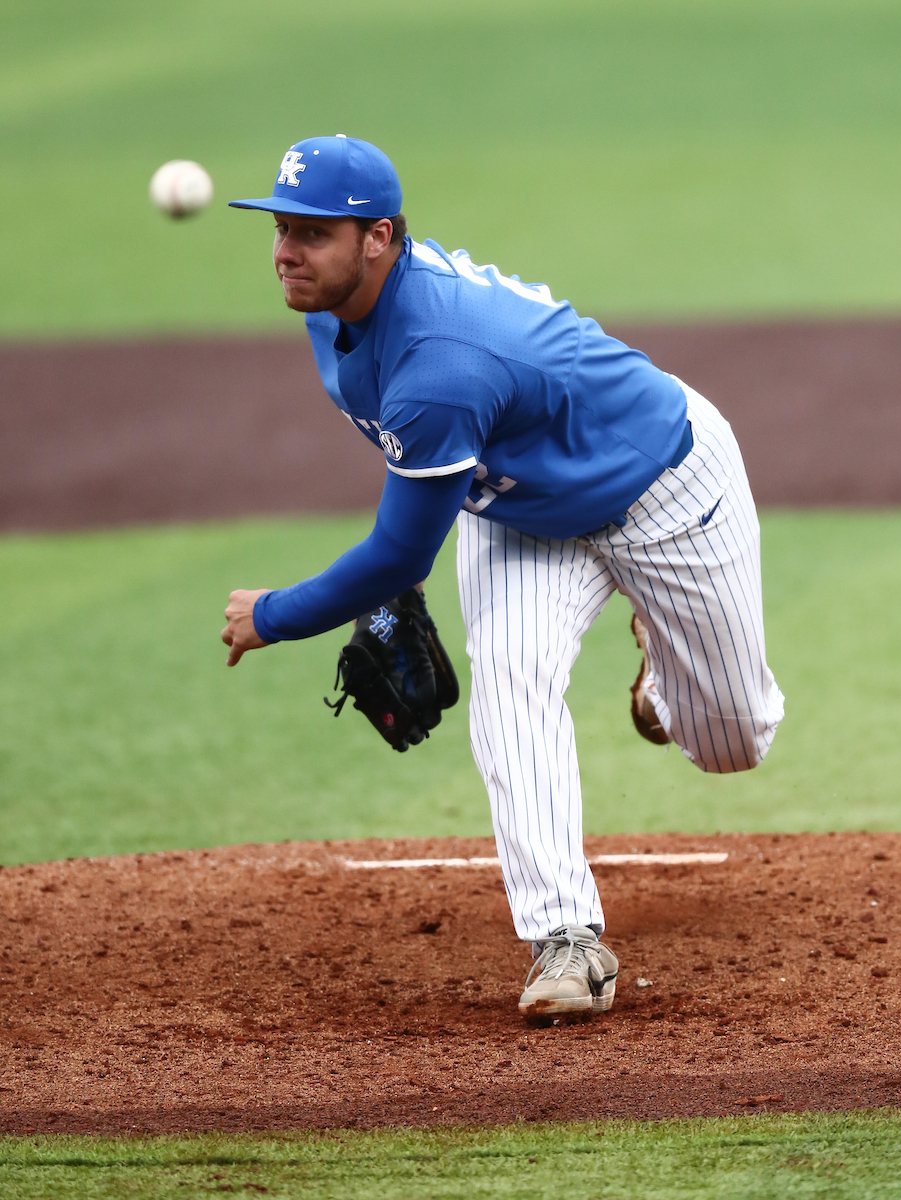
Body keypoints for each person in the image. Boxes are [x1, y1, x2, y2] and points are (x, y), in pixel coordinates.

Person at [222, 135, 785, 1018]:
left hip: (663, 486)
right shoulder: (328, 307)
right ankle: (567, 940)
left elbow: (403, 543)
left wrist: (280, 613)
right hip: (521, 511)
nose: (287, 252)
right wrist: (397, 570)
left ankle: (659, 668)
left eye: (313, 233)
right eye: (282, 228)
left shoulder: (442, 358)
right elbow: (413, 459)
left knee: (733, 743)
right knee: (511, 683)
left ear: (379, 238)